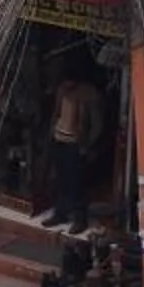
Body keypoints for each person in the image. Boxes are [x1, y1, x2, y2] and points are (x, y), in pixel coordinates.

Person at [39, 65, 104, 234]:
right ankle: (60, 213)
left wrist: (87, 145)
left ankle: (79, 218)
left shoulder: (89, 94)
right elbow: (56, 113)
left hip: (76, 145)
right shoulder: (62, 90)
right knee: (60, 180)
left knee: (76, 183)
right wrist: (51, 135)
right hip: (59, 140)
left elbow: (97, 125)